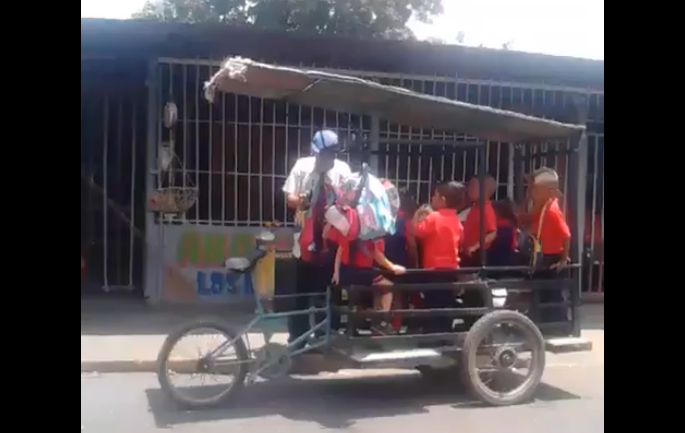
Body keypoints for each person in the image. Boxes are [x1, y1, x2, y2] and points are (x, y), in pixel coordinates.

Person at [282, 130, 351, 348]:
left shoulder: (343, 170)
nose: (327, 159)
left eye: (331, 154)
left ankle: (325, 337)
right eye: (324, 154)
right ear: (315, 152)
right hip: (304, 240)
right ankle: (298, 339)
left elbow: (350, 200)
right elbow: (289, 198)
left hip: (332, 242)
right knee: (301, 294)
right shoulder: (302, 167)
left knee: (329, 292)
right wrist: (301, 201)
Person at [328, 209, 406, 334]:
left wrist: (336, 272)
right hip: (361, 273)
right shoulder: (368, 234)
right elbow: (377, 255)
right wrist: (393, 267)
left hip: (347, 272)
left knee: (373, 290)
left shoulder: (350, 231)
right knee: (387, 286)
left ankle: (371, 322)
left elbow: (340, 250)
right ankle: (380, 322)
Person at [413, 181, 466, 333]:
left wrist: (418, 215)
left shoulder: (434, 217)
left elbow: (417, 231)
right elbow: (461, 239)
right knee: (446, 301)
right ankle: (445, 332)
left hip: (433, 269)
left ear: (442, 199)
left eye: (435, 195)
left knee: (432, 301)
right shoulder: (456, 219)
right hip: (451, 269)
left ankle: (432, 334)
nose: (432, 198)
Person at [527, 167, 571, 325]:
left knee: (553, 294)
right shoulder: (543, 207)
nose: (532, 194)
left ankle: (558, 325)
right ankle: (545, 323)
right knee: (543, 293)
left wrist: (564, 260)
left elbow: (566, 235)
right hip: (543, 256)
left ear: (548, 191)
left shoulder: (552, 210)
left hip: (553, 258)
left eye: (536, 191)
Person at [461, 175, 498, 267]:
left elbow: (492, 233)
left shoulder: (486, 209)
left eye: (473, 186)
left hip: (476, 255)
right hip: (467, 253)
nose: (468, 189)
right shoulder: (476, 207)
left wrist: (475, 247)